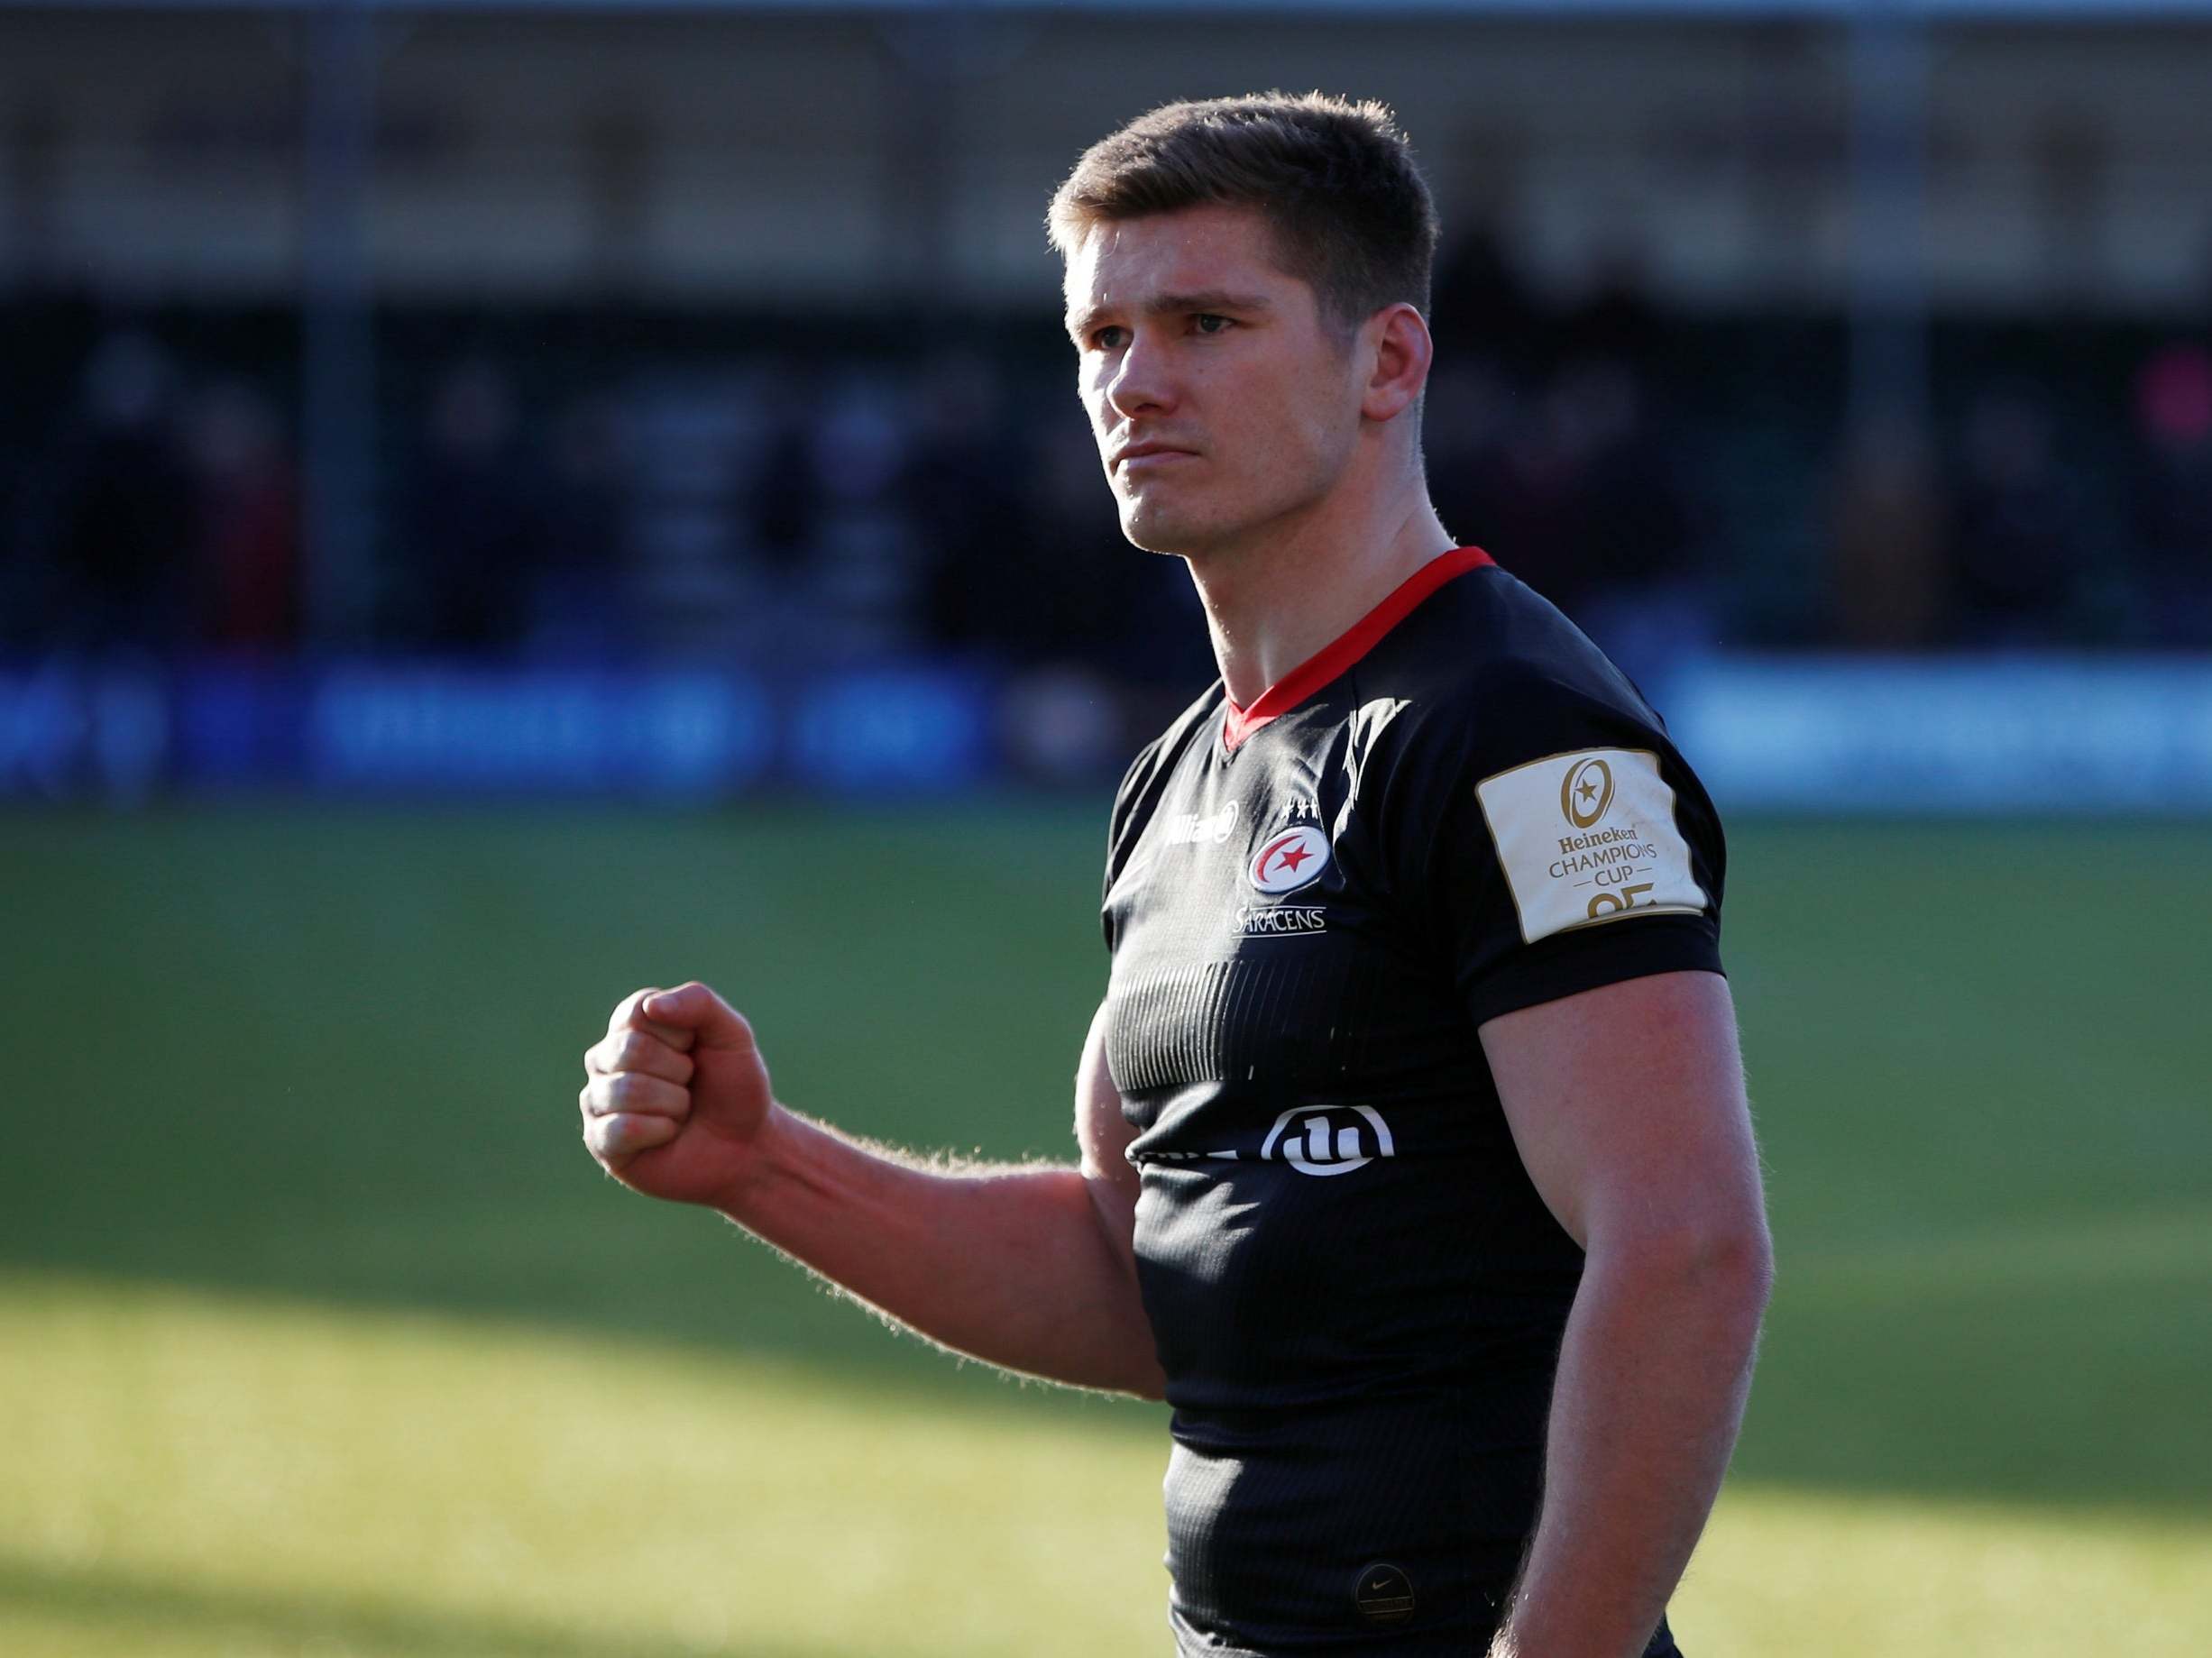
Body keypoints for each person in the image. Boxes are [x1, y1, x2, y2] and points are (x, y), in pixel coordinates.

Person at [578, 93, 1772, 1658]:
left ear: (1387, 363)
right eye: (1100, 338)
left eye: (1206, 322)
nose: (1135, 382)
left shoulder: (1512, 729)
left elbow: (1685, 1244)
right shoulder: (1181, 772)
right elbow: (1144, 1273)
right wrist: (765, 1166)